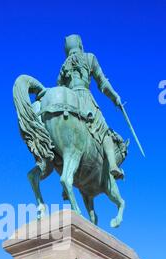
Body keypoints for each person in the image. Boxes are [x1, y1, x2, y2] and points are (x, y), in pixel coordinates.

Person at [57, 34, 124, 180]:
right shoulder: (89, 57)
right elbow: (102, 83)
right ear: (80, 45)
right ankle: (113, 165)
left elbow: (59, 87)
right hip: (85, 99)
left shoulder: (64, 66)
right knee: (104, 131)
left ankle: (66, 177)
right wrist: (115, 97)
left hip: (68, 102)